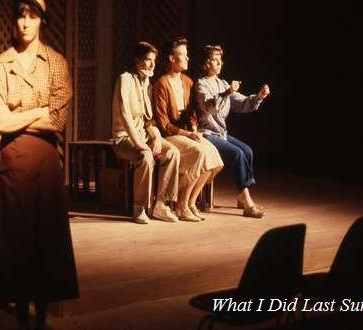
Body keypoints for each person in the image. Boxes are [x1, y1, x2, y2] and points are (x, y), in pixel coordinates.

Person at [0, 0, 79, 330]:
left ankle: (42, 314)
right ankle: (21, 312)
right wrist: (38, 109)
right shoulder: (0, 64)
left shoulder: (56, 62)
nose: (25, 22)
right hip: (13, 159)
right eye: (20, 15)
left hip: (46, 161)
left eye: (32, 16)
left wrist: (19, 113)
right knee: (17, 237)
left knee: (45, 239)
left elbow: (58, 121)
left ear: (42, 21)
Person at [152, 37, 223, 222]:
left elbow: (192, 112)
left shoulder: (188, 82)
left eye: (187, 55)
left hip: (186, 133)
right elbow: (163, 123)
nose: (187, 59)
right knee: (200, 153)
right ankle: (181, 205)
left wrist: (193, 127)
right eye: (182, 55)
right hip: (170, 136)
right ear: (171, 58)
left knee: (213, 154)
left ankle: (190, 202)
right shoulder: (161, 84)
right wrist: (187, 133)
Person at [196, 44, 270, 218]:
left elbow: (241, 103)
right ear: (206, 64)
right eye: (214, 60)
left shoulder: (222, 83)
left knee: (247, 151)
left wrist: (258, 97)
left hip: (221, 134)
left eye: (220, 59)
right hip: (207, 133)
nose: (219, 63)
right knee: (237, 154)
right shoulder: (201, 84)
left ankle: (240, 197)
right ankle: (247, 202)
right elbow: (209, 107)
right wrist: (226, 92)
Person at [112, 41, 180, 224]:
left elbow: (148, 119)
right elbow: (125, 115)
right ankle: (139, 208)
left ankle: (160, 204)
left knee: (172, 152)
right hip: (124, 138)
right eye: (148, 60)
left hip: (143, 136)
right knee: (146, 156)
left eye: (154, 61)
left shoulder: (147, 83)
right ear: (137, 60)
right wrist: (140, 143)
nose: (152, 64)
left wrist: (156, 137)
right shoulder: (125, 79)